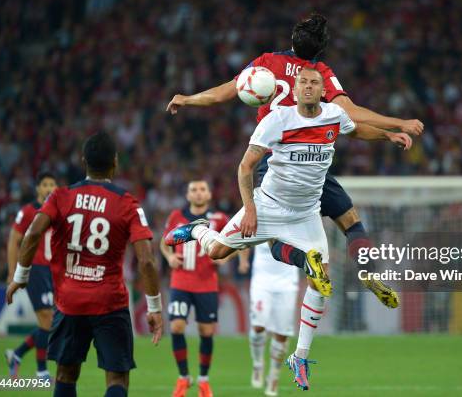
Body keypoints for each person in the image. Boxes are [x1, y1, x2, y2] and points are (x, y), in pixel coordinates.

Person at [166, 68, 411, 390]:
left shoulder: (334, 114)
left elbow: (356, 129)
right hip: (267, 207)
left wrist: (388, 135)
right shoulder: (277, 120)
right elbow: (245, 167)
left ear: (322, 91)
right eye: (303, 83)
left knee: (322, 283)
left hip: (305, 214)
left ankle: (300, 356)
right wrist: (251, 208)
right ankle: (198, 228)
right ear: (294, 90)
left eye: (314, 83)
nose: (308, 87)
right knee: (216, 252)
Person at [166, 13, 423, 308]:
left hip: (275, 163)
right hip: (313, 161)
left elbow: (223, 93)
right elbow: (347, 112)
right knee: (350, 221)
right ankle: (368, 272)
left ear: (292, 39)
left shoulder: (266, 63)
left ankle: (304, 261)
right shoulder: (319, 74)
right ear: (322, 49)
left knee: (274, 240)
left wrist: (187, 99)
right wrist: (395, 126)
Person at [6, 131, 163, 397]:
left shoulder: (60, 197)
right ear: (115, 162)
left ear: (83, 161)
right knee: (116, 378)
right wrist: (154, 307)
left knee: (65, 375)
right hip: (110, 303)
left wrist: (20, 276)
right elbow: (146, 260)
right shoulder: (127, 203)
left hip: (69, 303)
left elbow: (32, 233)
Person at [160, 179, 236, 397]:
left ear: (210, 194)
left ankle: (203, 380)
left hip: (206, 284)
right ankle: (183, 378)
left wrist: (225, 258)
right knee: (176, 327)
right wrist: (169, 256)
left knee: (206, 332)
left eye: (203, 189)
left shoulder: (219, 219)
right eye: (194, 189)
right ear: (187, 195)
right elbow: (163, 242)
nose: (199, 193)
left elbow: (236, 242)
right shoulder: (176, 216)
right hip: (180, 282)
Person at [5, 171, 57, 380]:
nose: (49, 188)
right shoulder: (28, 211)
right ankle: (41, 371)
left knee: (52, 322)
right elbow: (13, 240)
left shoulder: (57, 211)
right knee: (47, 318)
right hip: (34, 269)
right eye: (45, 184)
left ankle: (16, 354)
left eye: (52, 184)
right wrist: (13, 271)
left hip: (52, 272)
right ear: (38, 188)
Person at [248, 243, 300, 396]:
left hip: (287, 284)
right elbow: (241, 241)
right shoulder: (258, 220)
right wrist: (243, 260)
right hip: (261, 283)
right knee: (258, 326)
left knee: (281, 334)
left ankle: (274, 375)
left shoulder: (295, 221)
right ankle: (258, 364)